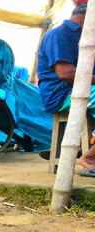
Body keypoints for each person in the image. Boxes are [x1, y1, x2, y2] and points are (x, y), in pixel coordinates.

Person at [37, 4, 95, 176]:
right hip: (62, 95)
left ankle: (86, 152)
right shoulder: (59, 35)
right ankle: (90, 157)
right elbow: (66, 73)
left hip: (80, 90)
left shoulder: (82, 36)